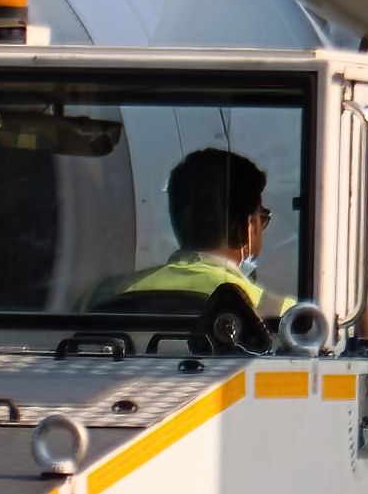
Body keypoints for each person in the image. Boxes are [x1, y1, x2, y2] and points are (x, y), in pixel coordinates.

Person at [101, 146, 278, 349]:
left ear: (176, 218)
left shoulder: (107, 293)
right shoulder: (276, 314)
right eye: (263, 219)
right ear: (248, 225)